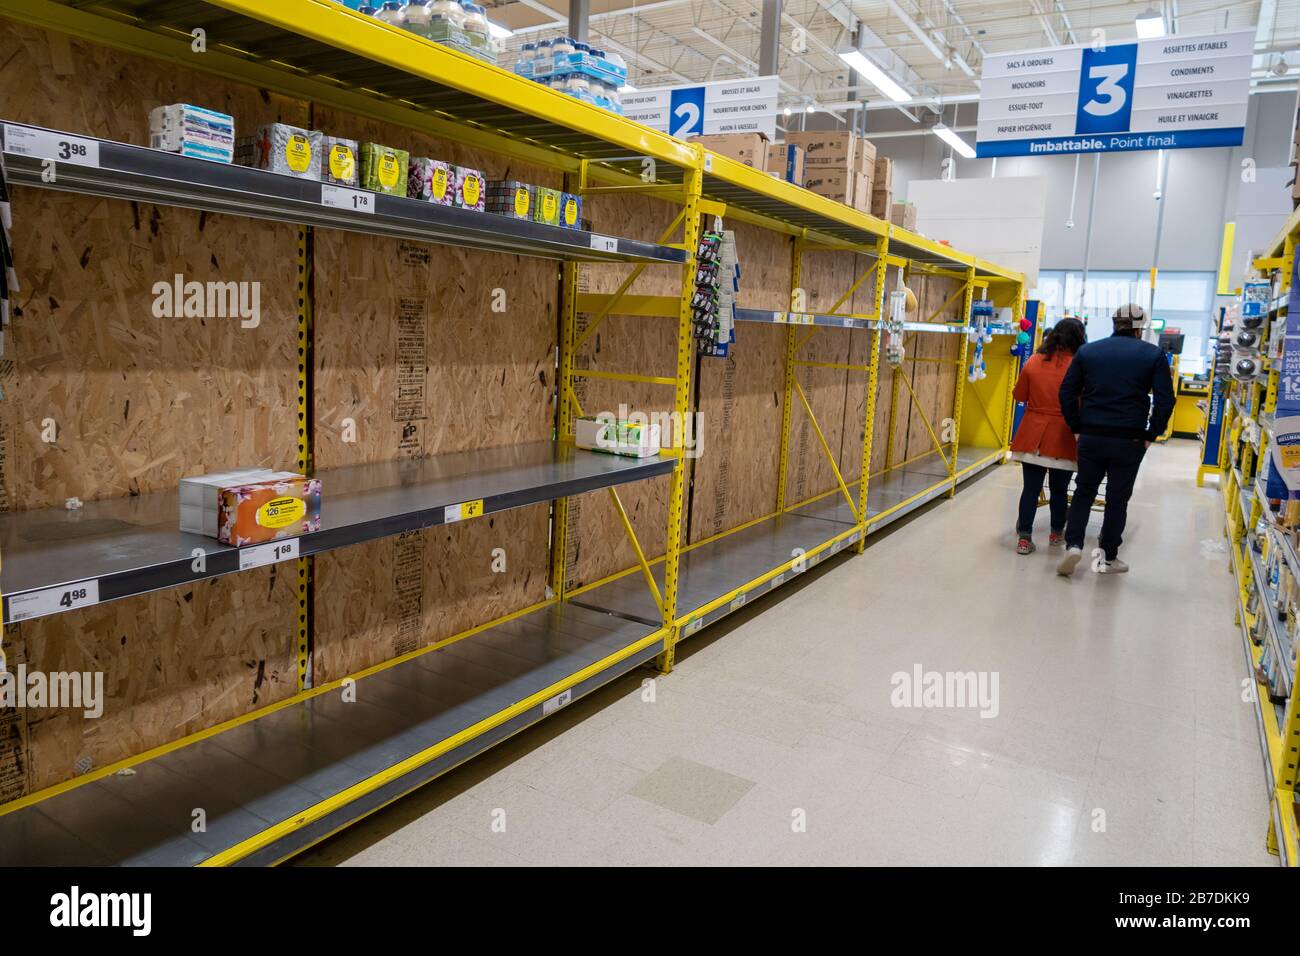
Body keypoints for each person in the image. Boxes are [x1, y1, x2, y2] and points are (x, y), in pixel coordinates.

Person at [1056, 303, 1175, 575]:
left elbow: (1066, 393)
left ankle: (1073, 545)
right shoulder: (1153, 354)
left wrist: (1076, 427)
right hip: (1129, 438)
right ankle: (1107, 557)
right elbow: (1166, 401)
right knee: (1117, 498)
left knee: (1084, 491)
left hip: (1091, 434)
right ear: (1140, 328)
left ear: (1114, 323)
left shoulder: (1088, 351)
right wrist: (1150, 435)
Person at [1009, 317, 1087, 554]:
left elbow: (1019, 395)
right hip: (1063, 434)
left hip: (1033, 435)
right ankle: (1056, 534)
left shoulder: (1033, 361)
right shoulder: (1080, 366)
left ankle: (1024, 538)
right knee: (1060, 490)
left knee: (1030, 489)